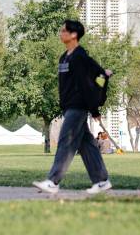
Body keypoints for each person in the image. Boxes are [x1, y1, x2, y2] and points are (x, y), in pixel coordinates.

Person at [33, 20, 112, 195]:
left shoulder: (80, 57)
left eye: (64, 31)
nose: (61, 33)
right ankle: (102, 181)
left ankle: (53, 181)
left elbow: (90, 83)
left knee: (66, 141)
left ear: (74, 35)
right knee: (86, 145)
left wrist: (94, 108)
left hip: (78, 106)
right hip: (68, 106)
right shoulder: (64, 57)